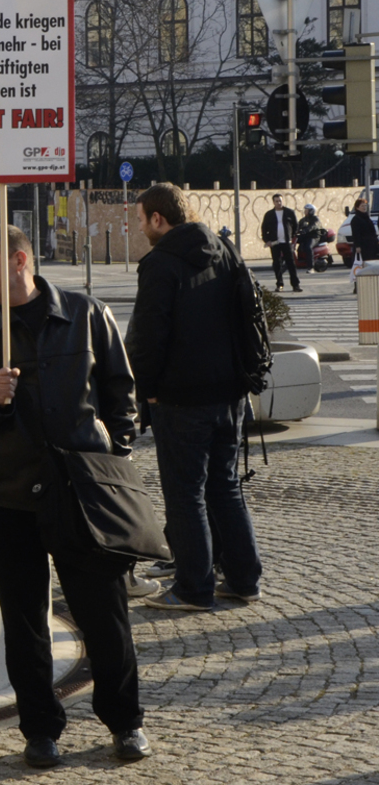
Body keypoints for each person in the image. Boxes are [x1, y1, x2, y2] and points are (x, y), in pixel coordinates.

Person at [0, 225, 150, 768]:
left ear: (19, 261)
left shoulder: (85, 314)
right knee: (24, 621)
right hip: (7, 495)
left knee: (104, 614)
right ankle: (40, 730)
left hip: (82, 490)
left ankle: (125, 721)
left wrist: (112, 451)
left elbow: (121, 392)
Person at [125, 183, 263, 613]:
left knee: (185, 495)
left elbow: (148, 340)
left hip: (180, 399)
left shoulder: (160, 263)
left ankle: (193, 588)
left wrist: (141, 394)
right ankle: (243, 580)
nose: (140, 226)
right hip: (230, 394)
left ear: (158, 220)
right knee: (225, 488)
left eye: (141, 219)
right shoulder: (225, 249)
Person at [260, 193, 301, 292]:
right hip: (275, 243)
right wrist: (267, 240)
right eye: (277, 201)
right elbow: (264, 229)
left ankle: (295, 285)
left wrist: (292, 237)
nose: (279, 203)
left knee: (291, 263)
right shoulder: (269, 214)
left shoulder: (289, 212)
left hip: (287, 242)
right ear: (273, 202)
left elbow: (296, 226)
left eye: (280, 201)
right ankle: (279, 284)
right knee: (277, 264)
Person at [295, 204, 323, 271]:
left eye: (306, 210)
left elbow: (312, 226)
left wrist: (306, 230)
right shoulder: (303, 219)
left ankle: (311, 267)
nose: (305, 211)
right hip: (305, 236)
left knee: (308, 247)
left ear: (311, 211)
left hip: (314, 236)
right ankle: (300, 260)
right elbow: (297, 227)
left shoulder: (315, 219)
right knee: (296, 242)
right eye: (305, 210)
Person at [350, 198, 379, 263]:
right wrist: (358, 246)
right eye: (362, 206)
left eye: (365, 205)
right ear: (357, 208)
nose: (364, 207)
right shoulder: (355, 219)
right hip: (363, 247)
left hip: (372, 246)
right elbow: (356, 234)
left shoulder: (367, 218)